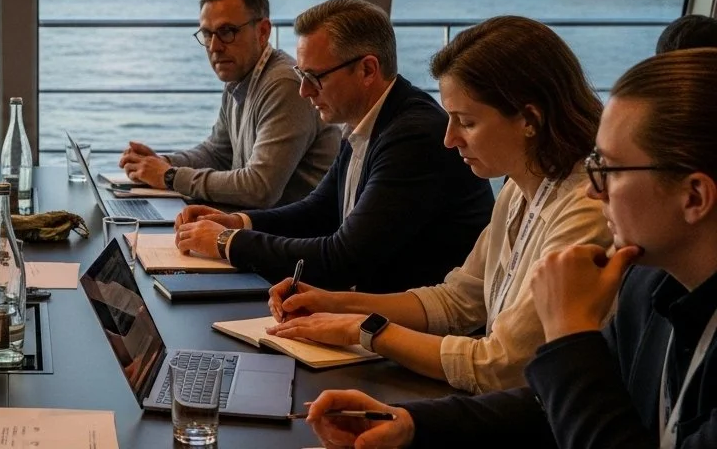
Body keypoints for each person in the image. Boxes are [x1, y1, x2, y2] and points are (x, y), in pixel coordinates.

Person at [306, 47, 717, 449]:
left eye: (608, 169)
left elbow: (514, 371)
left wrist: (569, 333)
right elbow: (548, 403)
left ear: (695, 197)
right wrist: (413, 424)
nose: (595, 190)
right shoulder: (649, 285)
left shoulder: (613, 249)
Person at [262, 16, 611, 393]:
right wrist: (336, 303)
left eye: (466, 122)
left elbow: (499, 366)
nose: (449, 139)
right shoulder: (519, 189)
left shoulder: (584, 211)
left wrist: (364, 329)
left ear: (530, 119)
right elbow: (458, 300)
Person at [174, 0, 493, 293]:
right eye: (301, 74)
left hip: (405, 332)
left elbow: (341, 260)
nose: (303, 91)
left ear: (368, 70)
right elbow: (319, 211)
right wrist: (239, 222)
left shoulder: (414, 136)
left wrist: (227, 242)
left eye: (315, 77)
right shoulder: (367, 119)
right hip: (366, 310)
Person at [119, 0, 340, 208]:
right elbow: (217, 154)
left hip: (291, 235)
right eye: (207, 34)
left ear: (263, 32)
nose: (215, 46)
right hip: (258, 226)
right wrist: (161, 163)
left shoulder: (284, 84)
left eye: (227, 32)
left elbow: (260, 188)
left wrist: (169, 177)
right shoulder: (240, 76)